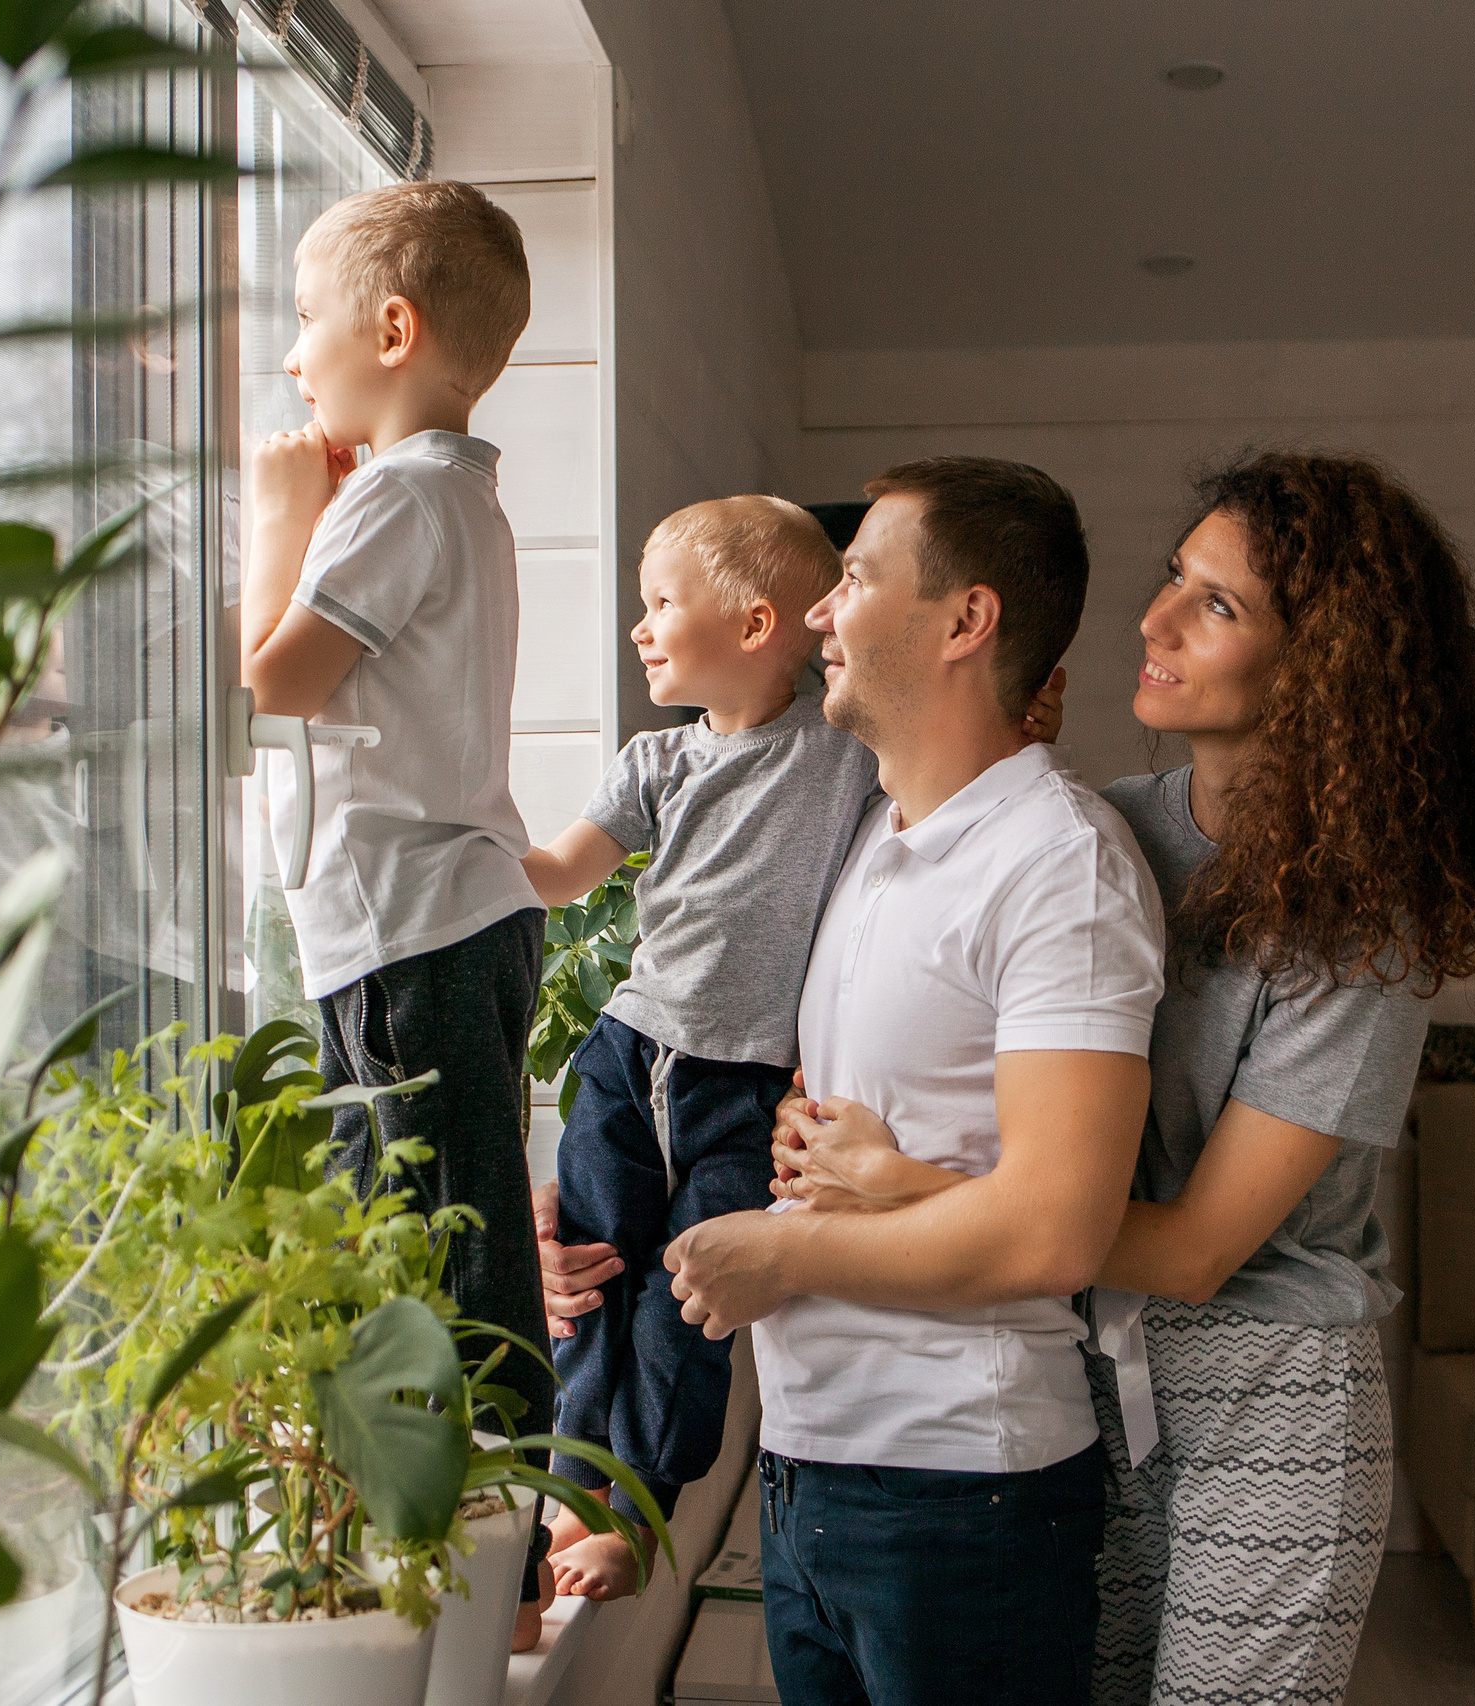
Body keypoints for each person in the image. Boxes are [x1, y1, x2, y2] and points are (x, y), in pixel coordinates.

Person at [765, 452, 1475, 1706]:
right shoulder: (1106, 829)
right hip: (1088, 1381)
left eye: (1215, 605)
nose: (1154, 618)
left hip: (1270, 1402)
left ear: (1321, 667)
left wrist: (907, 1186)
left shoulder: (1361, 929)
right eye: (1175, 578)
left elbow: (1195, 1252)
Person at [644, 458, 1169, 1706]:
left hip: (959, 1496)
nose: (819, 611)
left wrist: (790, 1258)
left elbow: (1056, 1228)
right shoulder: (866, 841)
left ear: (965, 620)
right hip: (805, 1470)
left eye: (856, 578)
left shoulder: (1060, 865)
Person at [237, 179, 558, 1641]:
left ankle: (477, 1574)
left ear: (390, 325)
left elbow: (273, 680)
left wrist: (273, 514)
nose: (295, 357)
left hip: (409, 928)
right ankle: (470, 1566)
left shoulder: (398, 494)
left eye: (306, 322)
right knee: (444, 1237)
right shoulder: (461, 495)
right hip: (454, 912)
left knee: (436, 1254)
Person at [517, 497, 873, 1602]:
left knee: (690, 1297)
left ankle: (637, 1511)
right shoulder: (653, 759)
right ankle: (567, 1498)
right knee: (589, 1268)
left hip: (742, 1076)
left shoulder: (842, 750)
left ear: (759, 622)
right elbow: (556, 876)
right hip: (627, 1050)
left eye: (661, 602)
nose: (641, 627)